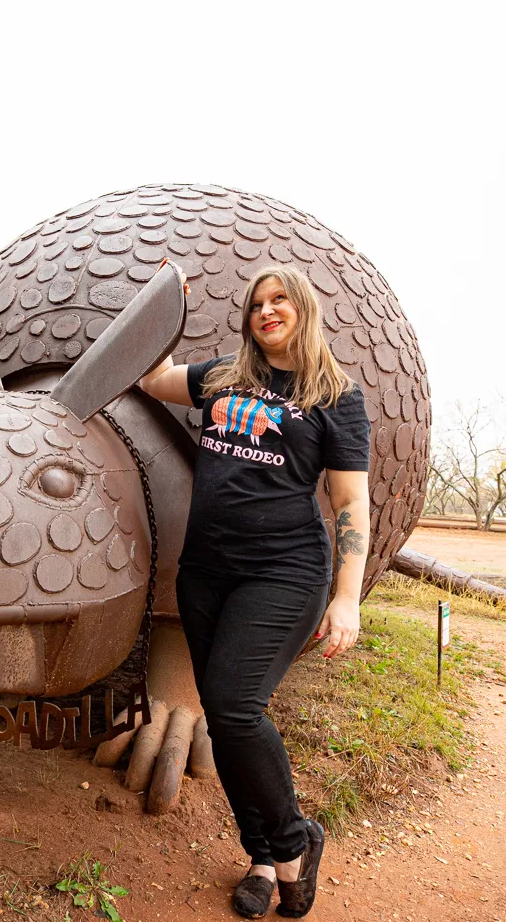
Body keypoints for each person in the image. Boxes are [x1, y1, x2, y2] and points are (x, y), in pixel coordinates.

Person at [138, 263, 371, 919]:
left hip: (285, 571)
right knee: (227, 715)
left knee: (237, 709)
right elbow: (153, 379)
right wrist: (163, 313)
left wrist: (346, 596)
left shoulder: (336, 396)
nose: (267, 311)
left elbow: (351, 501)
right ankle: (263, 857)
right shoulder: (220, 375)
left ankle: (296, 839)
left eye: (279, 300)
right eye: (257, 303)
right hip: (207, 570)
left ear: (302, 308)